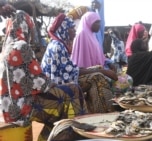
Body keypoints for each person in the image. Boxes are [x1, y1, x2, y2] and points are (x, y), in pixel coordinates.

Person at [0, 3, 87, 141]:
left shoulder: (6, 48)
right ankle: (78, 133)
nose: (32, 30)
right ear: (25, 25)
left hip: (12, 108)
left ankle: (52, 135)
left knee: (64, 95)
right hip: (25, 109)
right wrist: (51, 83)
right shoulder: (22, 46)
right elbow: (39, 84)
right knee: (73, 91)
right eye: (30, 25)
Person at [41, 13, 117, 115]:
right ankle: (102, 112)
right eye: (71, 28)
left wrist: (101, 68)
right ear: (64, 29)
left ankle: (97, 110)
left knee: (97, 74)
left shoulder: (58, 44)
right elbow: (71, 72)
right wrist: (102, 71)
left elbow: (70, 68)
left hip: (63, 79)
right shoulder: (58, 46)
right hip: (59, 84)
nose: (75, 30)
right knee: (97, 78)